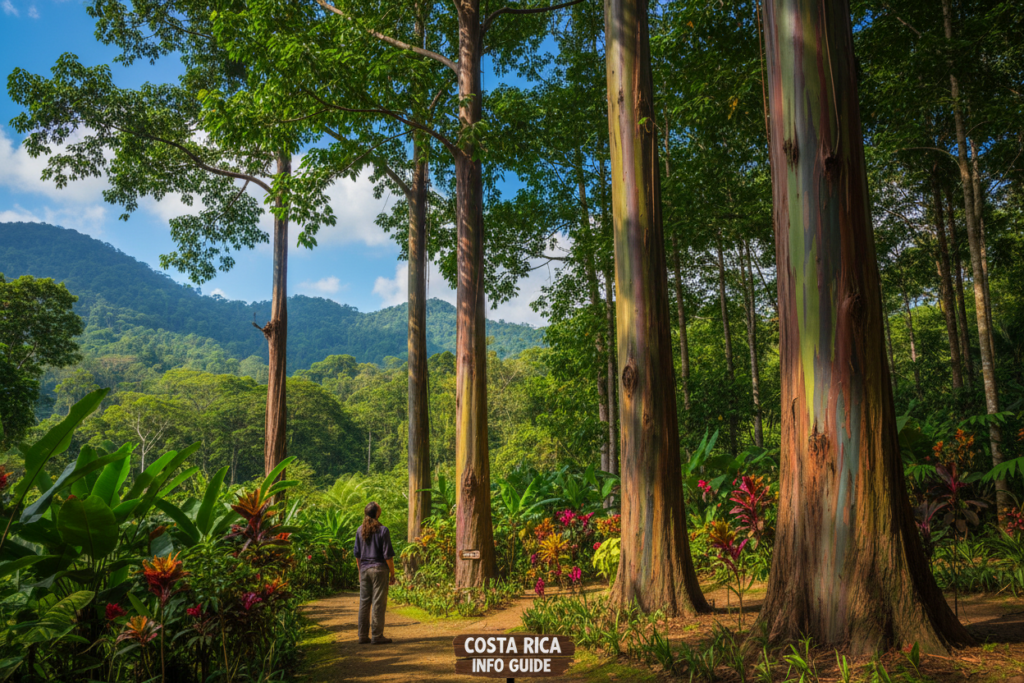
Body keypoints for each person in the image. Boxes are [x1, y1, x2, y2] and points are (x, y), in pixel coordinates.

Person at [353, 501, 396, 644]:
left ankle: (362, 636)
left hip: (365, 569)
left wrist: (360, 572)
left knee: (364, 603)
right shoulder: (383, 530)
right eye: (379, 506)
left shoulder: (360, 530)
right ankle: (377, 636)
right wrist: (392, 573)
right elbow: (387, 555)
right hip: (379, 569)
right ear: (377, 513)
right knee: (378, 603)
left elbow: (357, 555)